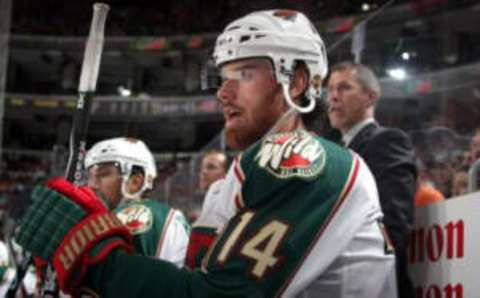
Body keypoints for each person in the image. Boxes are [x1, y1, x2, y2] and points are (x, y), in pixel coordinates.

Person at [15, 10, 397, 297]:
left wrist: (96, 261)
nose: (224, 93)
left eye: (244, 74)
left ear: (296, 81)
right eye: (223, 77)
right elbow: (191, 284)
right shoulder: (237, 180)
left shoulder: (306, 160)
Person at [326, 61, 417, 298]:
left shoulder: (387, 141)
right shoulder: (332, 153)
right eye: (330, 89)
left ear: (370, 97)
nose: (333, 97)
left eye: (344, 88)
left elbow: (393, 224)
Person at [84, 137, 190, 266]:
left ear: (135, 181)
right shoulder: (168, 215)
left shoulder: (134, 215)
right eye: (91, 177)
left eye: (103, 174)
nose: (92, 185)